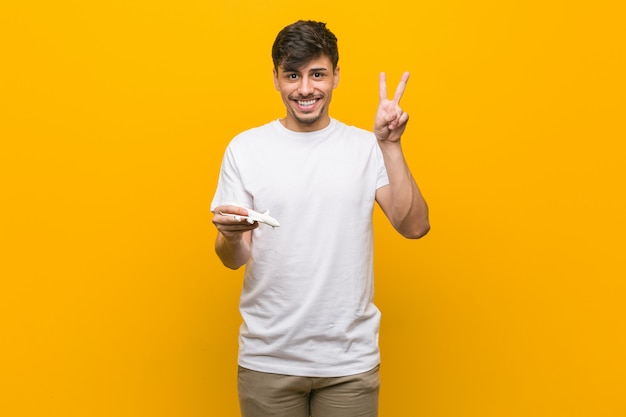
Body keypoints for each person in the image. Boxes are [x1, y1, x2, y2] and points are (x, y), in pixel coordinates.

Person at [210, 20, 429, 417]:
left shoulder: (365, 147)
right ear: (276, 78)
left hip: (348, 363)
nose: (305, 89)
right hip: (268, 360)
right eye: (292, 75)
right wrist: (228, 236)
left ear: (336, 76)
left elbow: (413, 227)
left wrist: (391, 146)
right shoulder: (245, 148)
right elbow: (233, 258)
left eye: (317, 74)